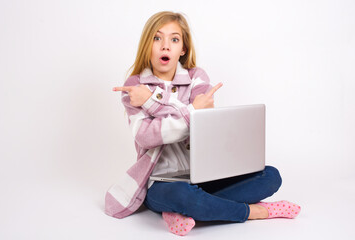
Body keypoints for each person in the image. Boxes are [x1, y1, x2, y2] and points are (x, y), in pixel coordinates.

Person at [106, 11, 301, 236]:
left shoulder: (196, 77)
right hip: (161, 183)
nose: (165, 46)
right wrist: (192, 111)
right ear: (147, 44)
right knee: (182, 196)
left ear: (183, 49)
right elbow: (146, 136)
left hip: (202, 175)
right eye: (157, 38)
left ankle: (182, 212)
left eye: (174, 39)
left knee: (270, 176)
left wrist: (151, 103)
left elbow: (201, 127)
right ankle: (254, 212)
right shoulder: (135, 86)